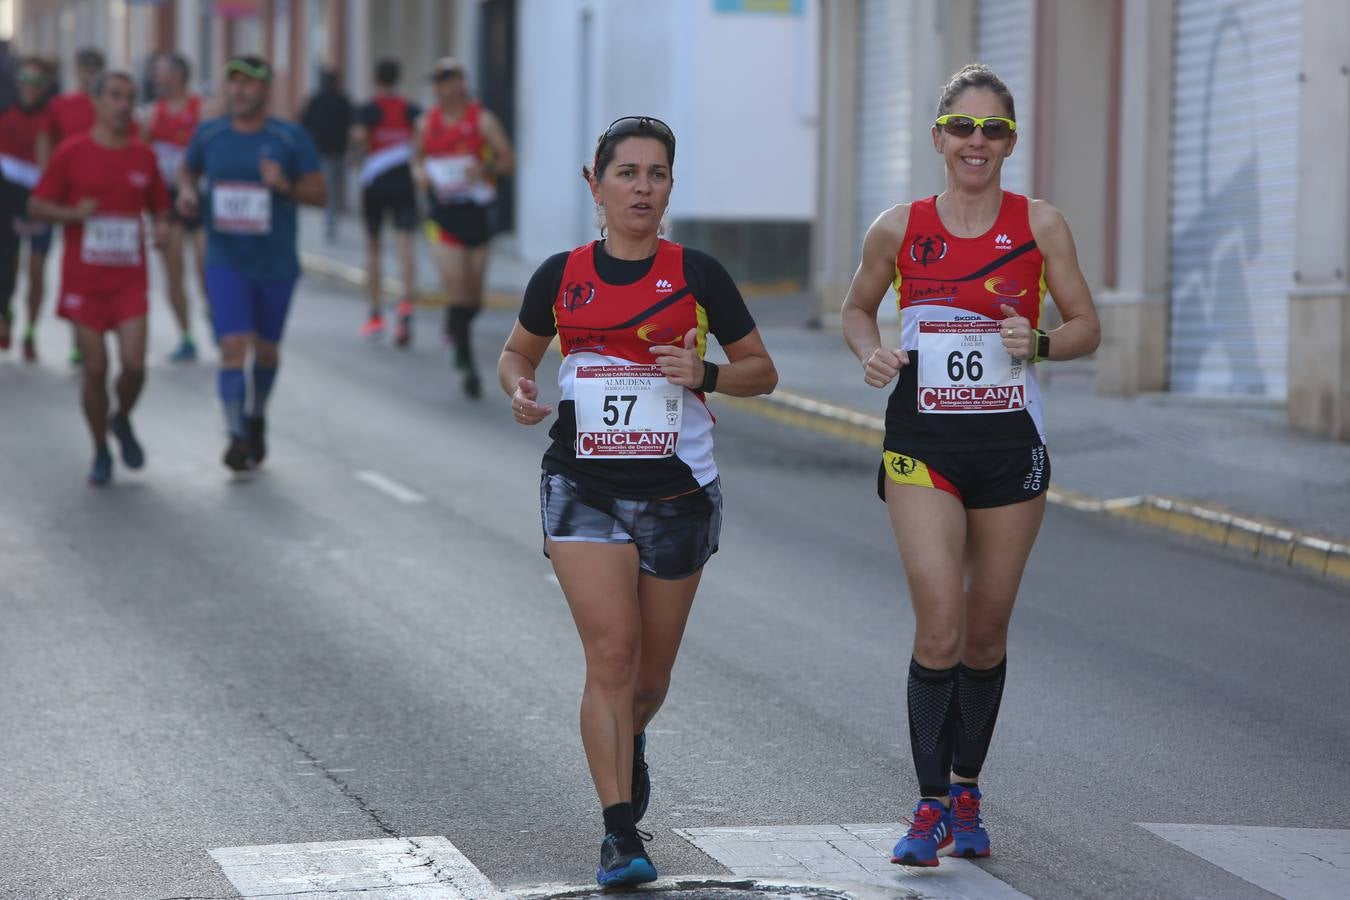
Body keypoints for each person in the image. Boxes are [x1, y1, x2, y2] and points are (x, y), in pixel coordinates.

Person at [497, 116, 777, 887]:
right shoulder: (561, 274)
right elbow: (519, 352)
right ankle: (620, 833)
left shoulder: (699, 275)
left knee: (648, 680)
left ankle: (630, 742)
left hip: (679, 492)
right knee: (611, 658)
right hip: (581, 484)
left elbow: (762, 371)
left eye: (656, 174)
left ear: (670, 187)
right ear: (596, 185)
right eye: (627, 173)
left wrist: (706, 374)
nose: (642, 188)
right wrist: (521, 386)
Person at [840, 64, 1101, 867]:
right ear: (938, 137)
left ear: (1010, 141)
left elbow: (1088, 324)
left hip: (1009, 446)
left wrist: (1045, 341)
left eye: (993, 130)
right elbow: (856, 306)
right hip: (922, 443)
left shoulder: (1041, 225)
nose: (976, 143)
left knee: (985, 633)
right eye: (962, 127)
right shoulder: (898, 226)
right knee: (940, 625)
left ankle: (966, 789)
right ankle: (925, 807)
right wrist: (871, 351)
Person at [176, 55, 325, 472]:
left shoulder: (289, 138)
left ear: (265, 89)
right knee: (231, 346)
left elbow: (320, 193)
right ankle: (236, 433)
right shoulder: (210, 134)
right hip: (225, 258)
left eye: (249, 83)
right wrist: (187, 193)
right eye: (234, 82)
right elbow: (187, 172)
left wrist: (284, 184)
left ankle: (256, 413)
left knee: (266, 351)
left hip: (275, 262)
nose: (239, 91)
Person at [28, 70, 169, 484]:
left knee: (134, 365)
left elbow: (160, 206)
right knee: (95, 368)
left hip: (129, 280)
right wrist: (73, 214)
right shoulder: (72, 152)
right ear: (96, 103)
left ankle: (121, 417)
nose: (124, 105)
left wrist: (162, 228)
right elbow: (37, 206)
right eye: (115, 96)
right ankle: (100, 450)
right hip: (84, 282)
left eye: (130, 97)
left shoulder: (144, 156)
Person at [413, 57, 513, 397]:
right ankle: (467, 364)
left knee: (474, 299)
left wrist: (483, 167)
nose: (442, 86)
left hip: (477, 213)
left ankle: (456, 325)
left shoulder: (482, 121)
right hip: (443, 216)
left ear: (461, 83)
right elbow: (415, 160)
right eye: (437, 80)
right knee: (456, 290)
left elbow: (507, 160)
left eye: (448, 79)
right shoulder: (427, 124)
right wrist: (420, 175)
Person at [143, 51, 210, 362]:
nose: (156, 76)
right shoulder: (151, 115)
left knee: (205, 265)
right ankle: (185, 335)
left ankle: (215, 314)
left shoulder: (203, 110)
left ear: (179, 75)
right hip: (167, 200)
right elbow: (143, 158)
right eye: (155, 71)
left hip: (200, 197)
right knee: (173, 272)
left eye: (162, 71)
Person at [351, 58, 419, 344]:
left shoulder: (369, 109)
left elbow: (358, 139)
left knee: (373, 246)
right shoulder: (410, 108)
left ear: (376, 80)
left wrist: (363, 152)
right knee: (404, 244)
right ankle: (404, 306)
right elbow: (421, 139)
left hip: (376, 182)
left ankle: (375, 314)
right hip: (404, 179)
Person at [0, 56, 54, 360]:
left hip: (39, 200)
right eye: (26, 80)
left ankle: (31, 330)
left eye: (37, 82)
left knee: (37, 271)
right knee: (8, 264)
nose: (30, 87)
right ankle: (5, 312)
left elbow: (49, 161)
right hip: (8, 200)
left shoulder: (49, 117)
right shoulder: (5, 110)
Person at [298, 68, 351, 243]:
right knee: (334, 187)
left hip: (321, 150)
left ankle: (330, 221)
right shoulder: (343, 101)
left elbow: (305, 124)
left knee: (328, 187)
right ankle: (331, 221)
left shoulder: (316, 101)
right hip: (338, 150)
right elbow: (350, 123)